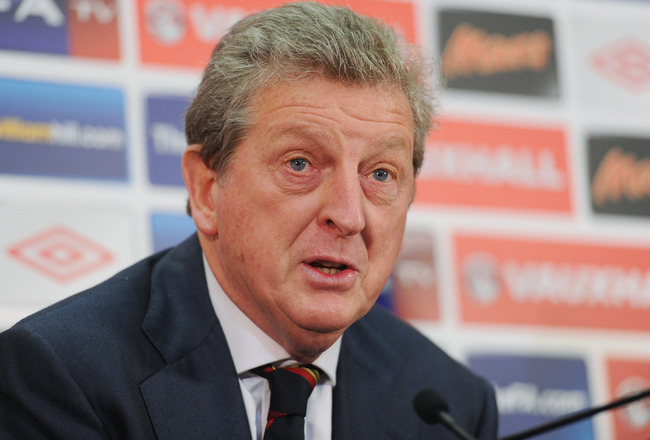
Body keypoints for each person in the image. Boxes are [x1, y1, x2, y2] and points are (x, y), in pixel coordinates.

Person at [0, 2, 497, 439]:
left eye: (381, 173)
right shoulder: (62, 374)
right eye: (300, 164)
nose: (348, 215)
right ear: (207, 190)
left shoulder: (453, 406)